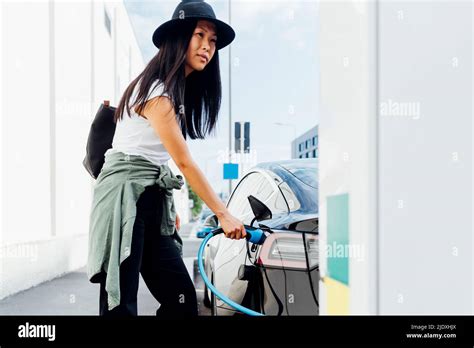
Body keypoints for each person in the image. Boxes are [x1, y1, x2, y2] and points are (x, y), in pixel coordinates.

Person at [87, 0, 245, 317]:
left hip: (150, 199)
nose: (207, 46)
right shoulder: (157, 91)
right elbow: (184, 162)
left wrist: (162, 202)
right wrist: (223, 213)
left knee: (182, 299)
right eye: (199, 35)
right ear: (178, 38)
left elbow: (159, 155)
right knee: (120, 305)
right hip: (124, 199)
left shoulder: (174, 92)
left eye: (212, 40)